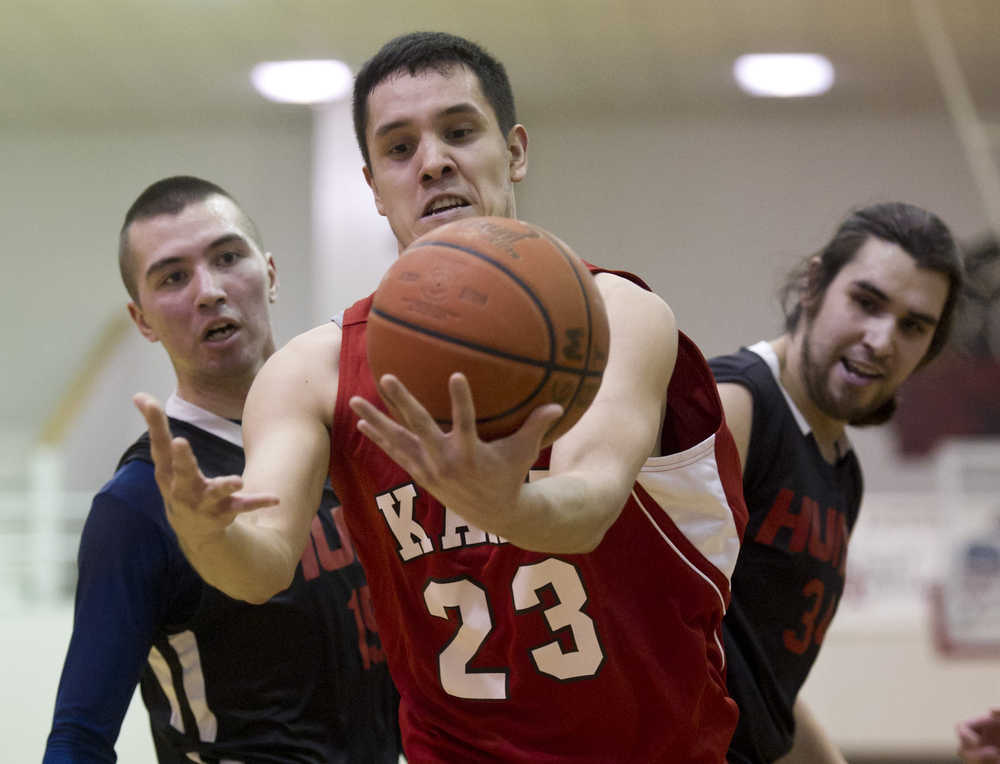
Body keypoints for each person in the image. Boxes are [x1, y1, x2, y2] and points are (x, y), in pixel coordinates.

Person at [133, 32, 748, 763]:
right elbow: (261, 566)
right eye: (399, 149)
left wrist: (508, 505)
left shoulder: (620, 314)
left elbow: (590, 500)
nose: (433, 162)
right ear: (372, 184)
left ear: (513, 149)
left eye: (459, 131)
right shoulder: (312, 371)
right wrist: (208, 537)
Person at [44, 176, 400, 763]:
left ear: (271, 273)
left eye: (227, 257)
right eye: (173, 277)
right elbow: (79, 736)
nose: (208, 291)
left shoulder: (349, 445)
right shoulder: (136, 503)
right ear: (143, 320)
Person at [708, 202, 965, 763]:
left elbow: (761, 686)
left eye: (913, 325)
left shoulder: (842, 473)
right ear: (813, 284)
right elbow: (639, 626)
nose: (881, 339)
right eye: (866, 302)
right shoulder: (738, 406)